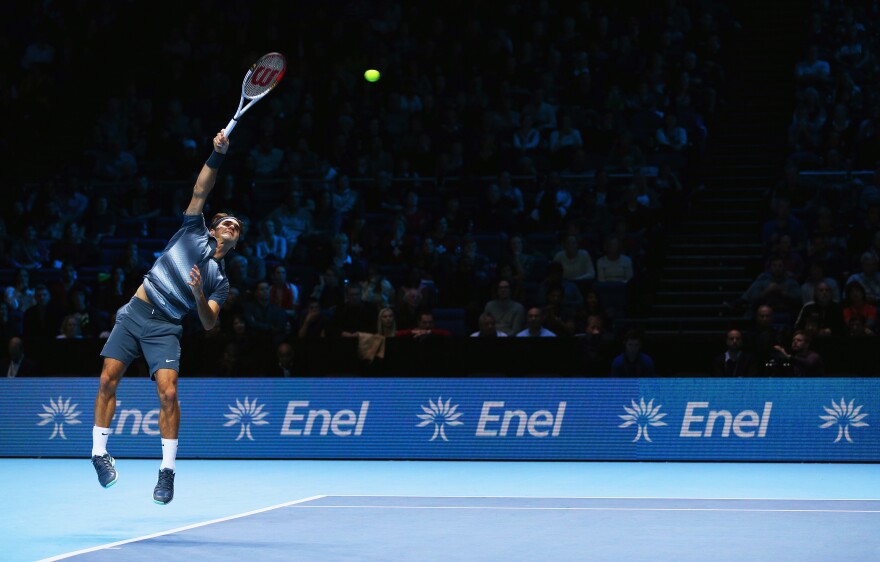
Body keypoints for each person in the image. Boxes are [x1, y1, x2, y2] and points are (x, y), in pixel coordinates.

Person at [91, 131, 242, 505]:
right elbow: (202, 188)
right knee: (108, 379)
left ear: (236, 242)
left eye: (237, 228)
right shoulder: (192, 230)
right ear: (213, 228)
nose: (232, 227)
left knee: (169, 392)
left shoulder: (220, 281)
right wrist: (217, 154)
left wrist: (198, 293)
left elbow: (209, 323)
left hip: (166, 327)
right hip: (136, 311)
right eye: (227, 222)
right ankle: (99, 454)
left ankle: (167, 472)